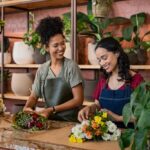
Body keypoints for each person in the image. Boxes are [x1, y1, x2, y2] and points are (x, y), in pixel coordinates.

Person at [23, 16, 84, 122]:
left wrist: (52, 109)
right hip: (49, 121)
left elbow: (78, 100)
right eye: (55, 45)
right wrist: (27, 107)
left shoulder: (71, 67)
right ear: (47, 48)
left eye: (63, 43)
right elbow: (34, 96)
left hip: (69, 122)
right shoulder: (42, 70)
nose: (61, 48)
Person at [78, 37, 144, 127]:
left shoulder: (137, 80)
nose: (102, 63)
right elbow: (98, 105)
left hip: (128, 135)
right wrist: (89, 108)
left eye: (104, 58)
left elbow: (142, 115)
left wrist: (116, 118)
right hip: (105, 134)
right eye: (99, 60)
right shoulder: (103, 80)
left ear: (117, 53)